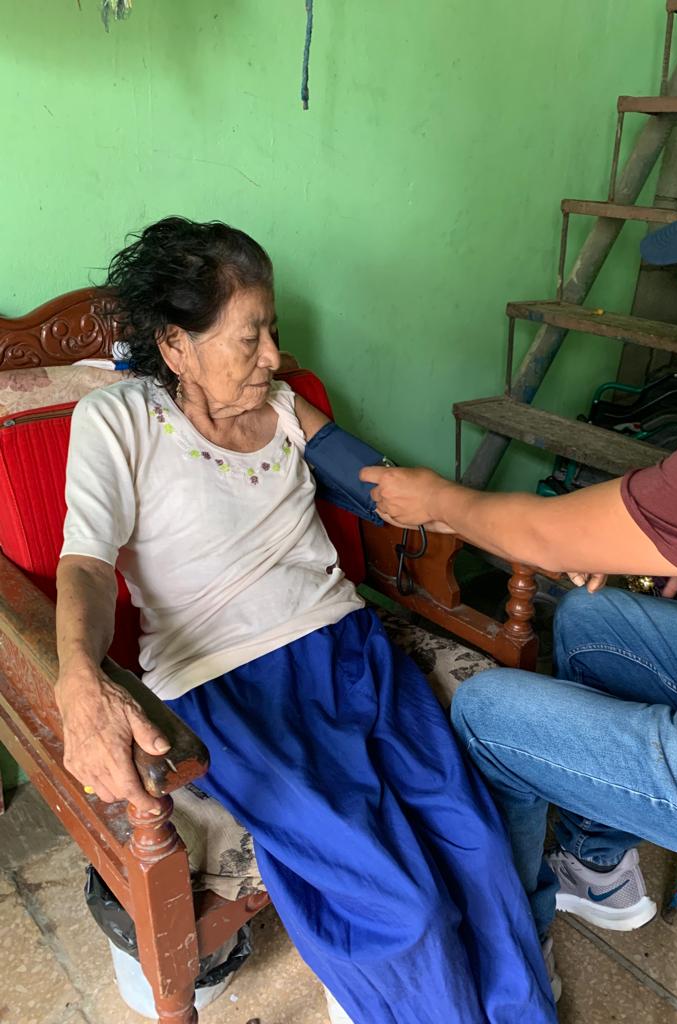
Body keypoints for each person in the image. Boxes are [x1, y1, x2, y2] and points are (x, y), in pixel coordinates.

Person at [54, 216, 557, 1024]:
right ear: (176, 345)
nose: (274, 356)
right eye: (250, 336)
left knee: (474, 839)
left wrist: (525, 532)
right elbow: (84, 562)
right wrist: (79, 677)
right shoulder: (120, 421)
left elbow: (385, 488)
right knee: (401, 907)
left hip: (349, 650)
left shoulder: (286, 407)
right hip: (226, 687)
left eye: (274, 331)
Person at [362, 107, 677, 981]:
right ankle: (598, 867)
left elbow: (545, 532)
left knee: (487, 715)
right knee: (587, 623)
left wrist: (439, 501)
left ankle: (513, 961)